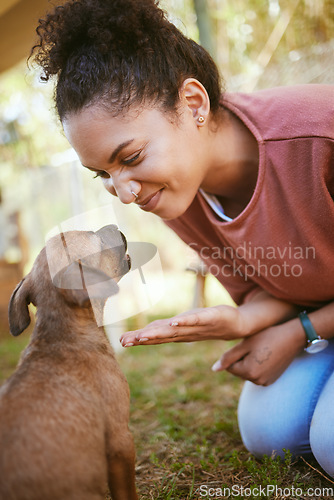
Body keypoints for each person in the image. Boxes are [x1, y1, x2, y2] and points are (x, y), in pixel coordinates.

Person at [31, 0, 334, 477]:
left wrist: (302, 332)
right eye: (102, 174)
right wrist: (243, 320)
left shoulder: (318, 138)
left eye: (129, 156)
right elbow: (279, 283)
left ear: (193, 103)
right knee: (268, 434)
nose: (124, 193)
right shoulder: (175, 192)